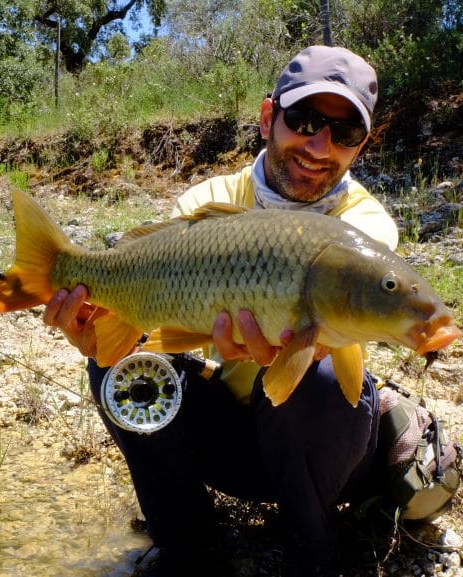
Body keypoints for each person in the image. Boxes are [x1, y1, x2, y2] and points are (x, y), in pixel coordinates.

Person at [44, 45, 398, 577]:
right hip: (225, 441)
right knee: (118, 370)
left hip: (322, 456)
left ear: (360, 146)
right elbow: (156, 329)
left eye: (344, 133)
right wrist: (99, 335)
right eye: (302, 120)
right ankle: (191, 553)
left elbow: (330, 341)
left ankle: (312, 551)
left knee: (318, 378)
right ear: (266, 117)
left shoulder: (365, 227)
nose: (319, 145)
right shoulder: (208, 201)